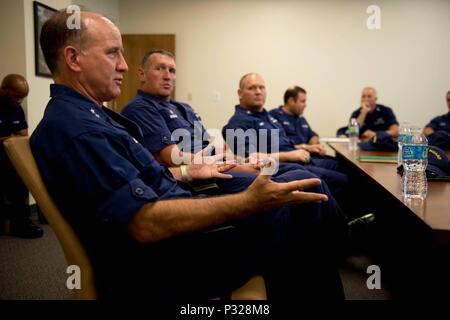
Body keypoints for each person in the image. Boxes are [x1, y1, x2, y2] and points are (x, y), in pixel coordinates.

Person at [31, 10, 347, 301]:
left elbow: (131, 182)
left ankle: (327, 251)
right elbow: (144, 223)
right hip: (165, 261)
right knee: (307, 199)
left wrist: (184, 173)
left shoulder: (92, 117)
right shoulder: (78, 130)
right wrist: (246, 204)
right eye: (113, 53)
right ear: (73, 59)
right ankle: (342, 242)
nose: (124, 66)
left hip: (180, 226)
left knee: (302, 198)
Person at [122, 49, 312, 196]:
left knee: (297, 171)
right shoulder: (141, 108)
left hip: (220, 166)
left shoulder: (184, 107)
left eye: (172, 70)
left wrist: (238, 159)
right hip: (201, 179)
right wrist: (235, 165)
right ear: (141, 74)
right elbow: (171, 157)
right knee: (300, 177)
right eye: (160, 68)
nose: (167, 75)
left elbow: (209, 148)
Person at [222, 73, 349, 197]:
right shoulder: (237, 123)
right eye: (252, 88)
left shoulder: (267, 116)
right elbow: (250, 159)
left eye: (262, 87)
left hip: (299, 159)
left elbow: (283, 143)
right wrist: (290, 155)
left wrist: (305, 148)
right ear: (240, 93)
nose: (258, 91)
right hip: (284, 167)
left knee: (346, 166)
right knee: (344, 180)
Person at [0, 74, 43, 238]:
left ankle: (20, 223)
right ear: (4, 89)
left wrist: (9, 140)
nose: (20, 101)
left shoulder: (17, 109)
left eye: (23, 98)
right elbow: (14, 139)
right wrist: (10, 139)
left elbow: (23, 137)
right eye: (16, 96)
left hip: (7, 155)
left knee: (22, 170)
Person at [269, 86, 340, 170]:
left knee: (343, 164)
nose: (305, 105)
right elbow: (281, 146)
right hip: (294, 161)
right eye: (302, 101)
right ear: (291, 101)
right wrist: (306, 147)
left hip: (310, 156)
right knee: (343, 171)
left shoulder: (301, 118)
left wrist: (316, 146)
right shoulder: (274, 117)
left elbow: (312, 135)